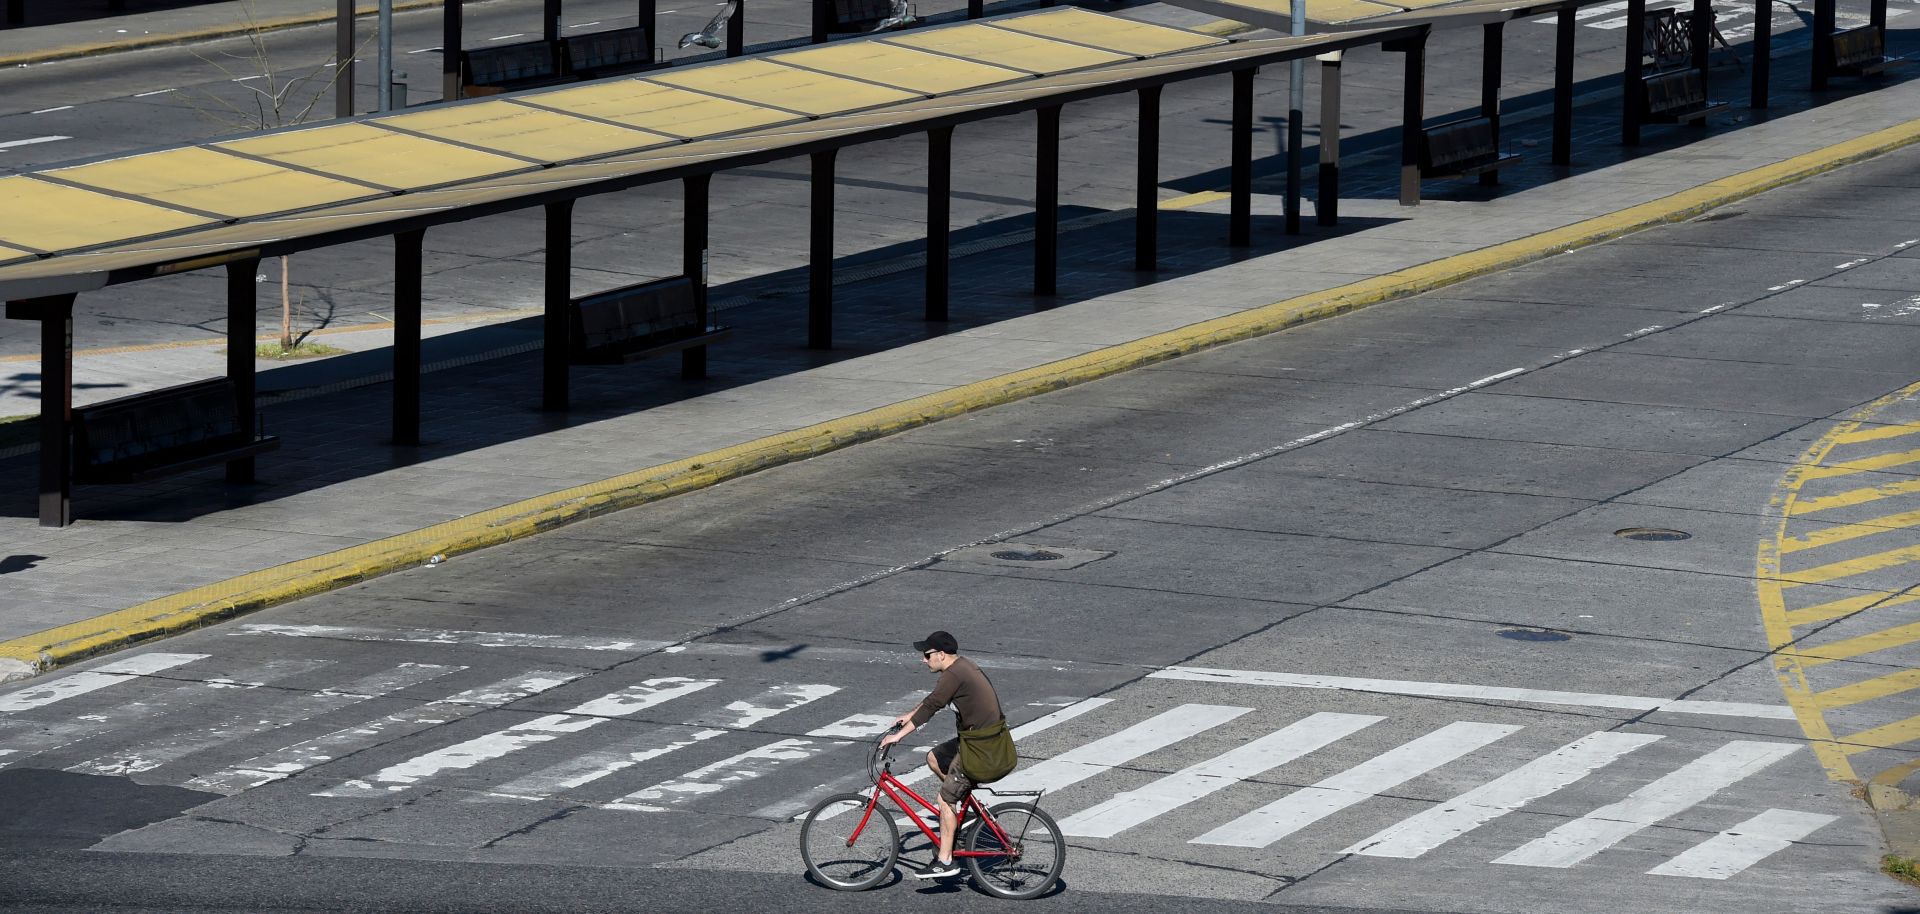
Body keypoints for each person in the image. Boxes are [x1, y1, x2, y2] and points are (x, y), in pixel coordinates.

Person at [881, 630, 1006, 879]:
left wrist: (898, 736)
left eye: (927, 655)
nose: (923, 660)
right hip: (980, 740)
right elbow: (934, 700)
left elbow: (931, 707)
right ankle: (965, 814)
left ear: (940, 654)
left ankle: (946, 861)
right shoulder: (959, 668)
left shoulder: (956, 674)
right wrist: (909, 714)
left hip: (982, 747)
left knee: (944, 801)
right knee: (934, 758)